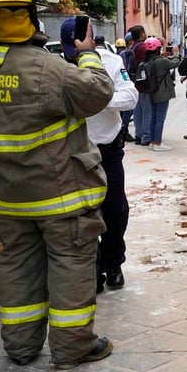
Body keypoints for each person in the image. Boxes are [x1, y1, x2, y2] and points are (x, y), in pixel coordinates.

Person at [0, 0, 114, 369]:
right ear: (30, 15)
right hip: (61, 197)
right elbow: (99, 92)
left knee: (17, 268)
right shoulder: (48, 69)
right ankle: (73, 347)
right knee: (70, 265)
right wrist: (87, 53)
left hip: (7, 200)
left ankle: (21, 347)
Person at [60, 18, 138, 293]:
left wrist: (98, 98)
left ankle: (114, 263)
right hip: (74, 155)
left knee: (115, 211)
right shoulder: (58, 67)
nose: (76, 57)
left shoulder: (111, 62)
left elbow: (130, 97)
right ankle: (91, 269)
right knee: (81, 215)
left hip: (108, 151)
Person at [140, 37, 180, 151]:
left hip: (151, 91)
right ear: (157, 49)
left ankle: (153, 142)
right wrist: (176, 54)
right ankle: (157, 143)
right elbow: (176, 63)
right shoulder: (161, 61)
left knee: (154, 117)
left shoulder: (146, 61)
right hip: (162, 93)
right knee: (160, 118)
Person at [127, 25, 150, 144]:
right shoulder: (142, 47)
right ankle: (146, 136)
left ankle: (138, 134)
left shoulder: (131, 47)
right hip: (143, 82)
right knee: (146, 111)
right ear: (141, 34)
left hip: (133, 81)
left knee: (137, 111)